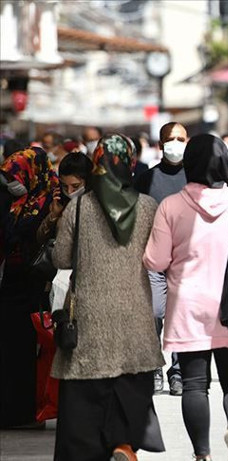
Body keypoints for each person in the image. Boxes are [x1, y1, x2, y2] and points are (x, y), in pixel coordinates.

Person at [144, 134, 228, 460]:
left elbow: (155, 261)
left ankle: (202, 454)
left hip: (187, 305)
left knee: (194, 384)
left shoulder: (171, 205)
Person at [51, 134, 165, 459]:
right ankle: (124, 444)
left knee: (85, 400)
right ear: (130, 163)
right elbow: (157, 259)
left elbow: (60, 259)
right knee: (128, 389)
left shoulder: (78, 207)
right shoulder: (147, 207)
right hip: (135, 317)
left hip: (89, 318)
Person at [0, 147, 58, 429]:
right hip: (8, 283)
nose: (12, 182)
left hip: (36, 285)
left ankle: (29, 411)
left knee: (30, 352)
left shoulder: (50, 198)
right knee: (10, 351)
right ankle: (11, 410)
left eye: (16, 175)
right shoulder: (11, 200)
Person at [135, 121, 189, 396]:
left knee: (179, 317)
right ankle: (155, 366)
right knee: (156, 313)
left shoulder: (196, 177)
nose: (176, 144)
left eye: (181, 138)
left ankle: (177, 372)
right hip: (154, 259)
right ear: (160, 145)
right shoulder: (146, 179)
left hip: (186, 261)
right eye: (171, 139)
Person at [36, 152, 93, 245]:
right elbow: (41, 239)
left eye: (76, 186)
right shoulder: (58, 202)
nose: (70, 192)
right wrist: (53, 216)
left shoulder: (98, 204)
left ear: (88, 181)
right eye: (65, 186)